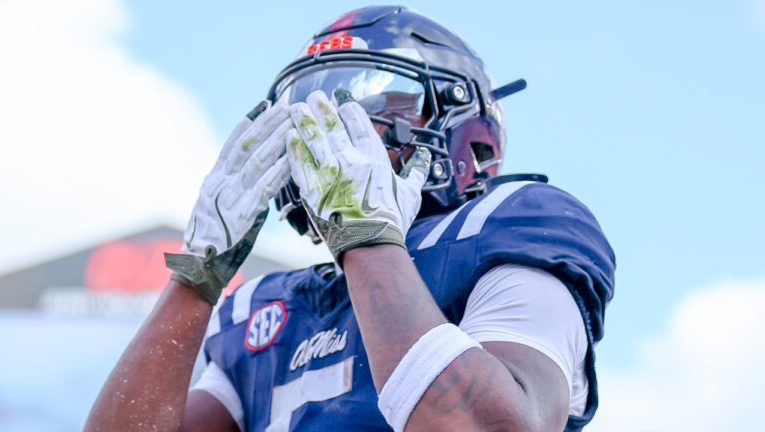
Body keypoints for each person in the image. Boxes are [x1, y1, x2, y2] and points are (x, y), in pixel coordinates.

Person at [85, 6, 615, 432]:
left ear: (469, 142)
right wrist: (197, 278)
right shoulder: (265, 308)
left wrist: (367, 236)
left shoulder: (510, 224)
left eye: (378, 103)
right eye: (306, 108)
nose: (333, 127)